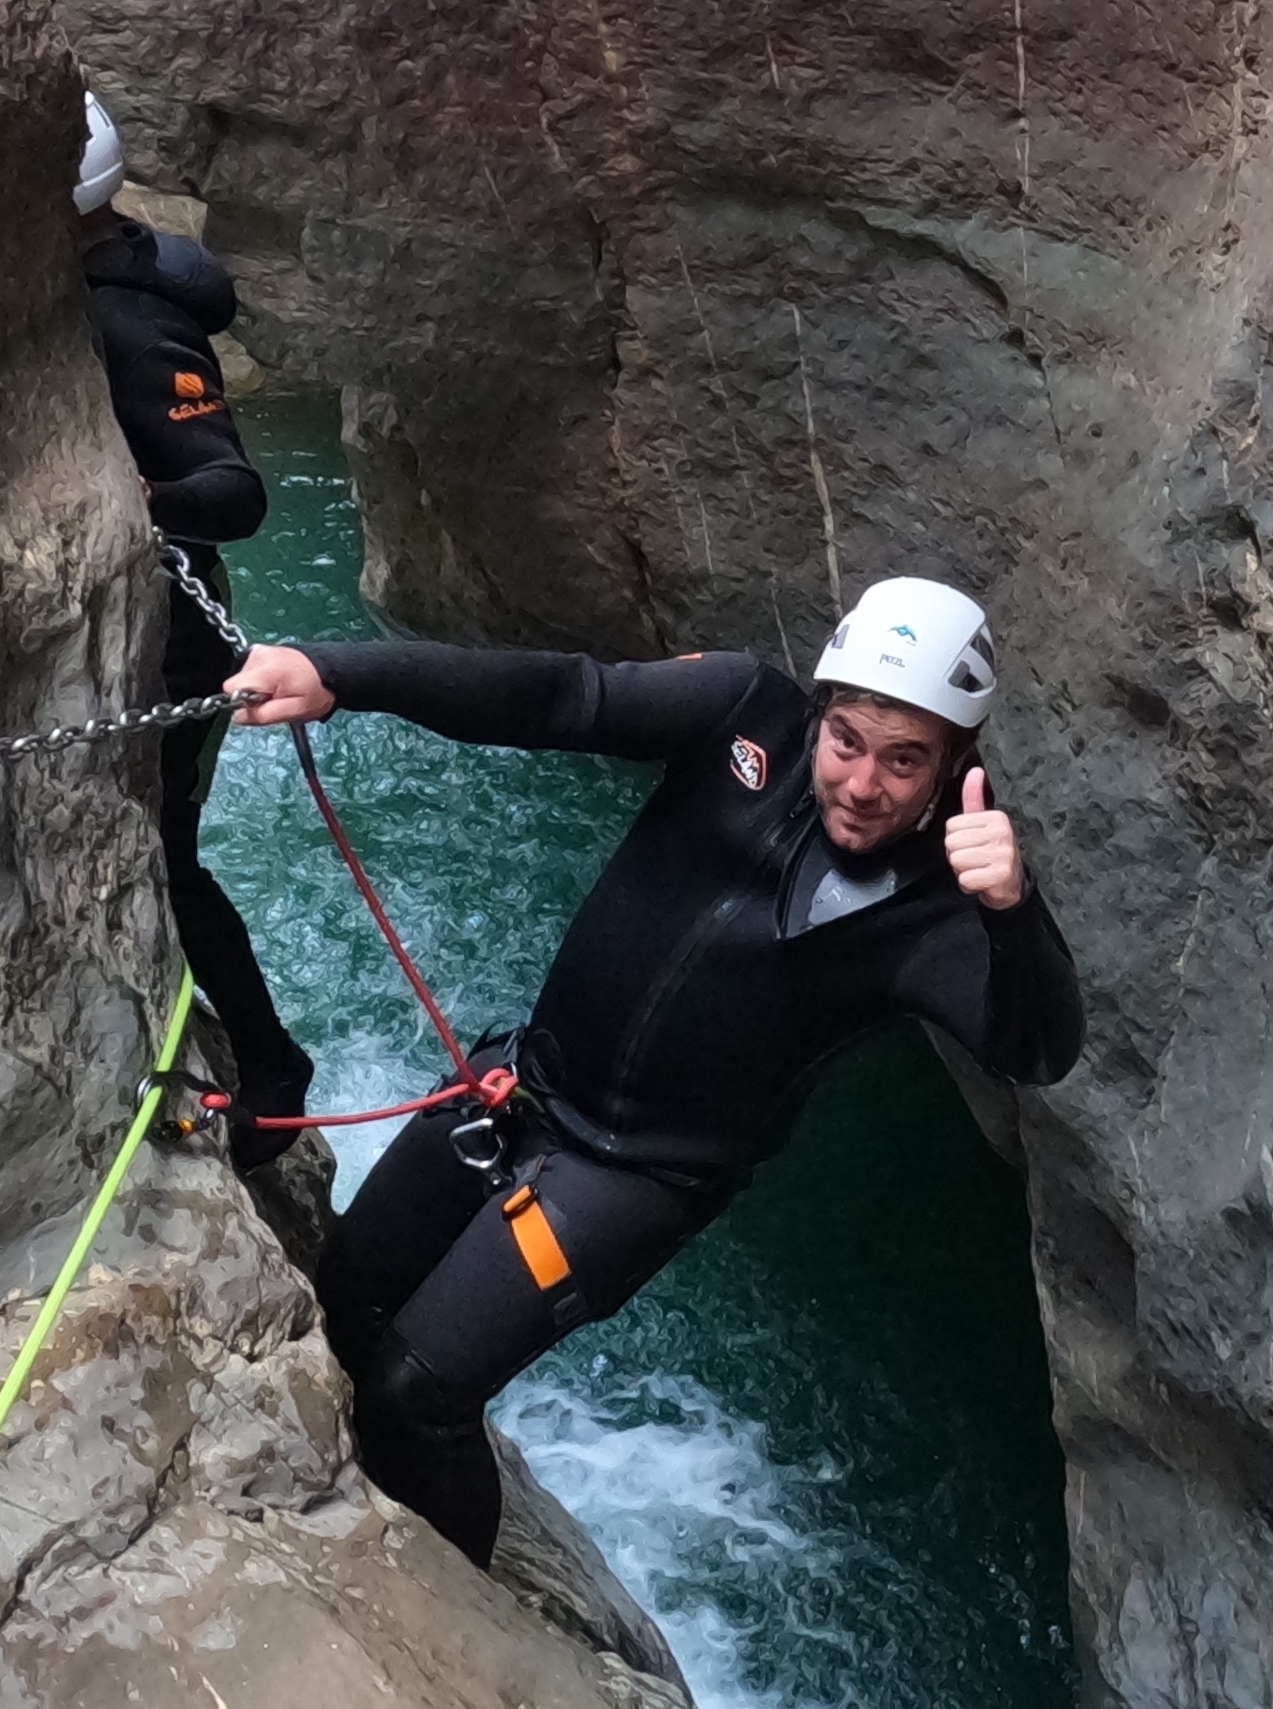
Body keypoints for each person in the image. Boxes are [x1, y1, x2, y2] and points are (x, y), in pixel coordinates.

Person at [225, 578, 1084, 1568]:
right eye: (846, 740)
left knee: (420, 1394)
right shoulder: (742, 714)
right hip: (526, 1084)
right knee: (345, 1292)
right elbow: (563, 696)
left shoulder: (934, 907)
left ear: (952, 767)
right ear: (818, 711)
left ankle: (460, 1615)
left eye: (904, 761)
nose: (861, 783)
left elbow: (1036, 1050)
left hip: (634, 1179)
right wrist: (337, 674)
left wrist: (1013, 911)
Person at [75, 90, 311, 1167]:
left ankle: (273, 1066)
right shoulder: (84, 281)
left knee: (167, 855)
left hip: (174, 639)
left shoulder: (132, 321)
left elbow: (233, 493)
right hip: (151, 631)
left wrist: (141, 498)